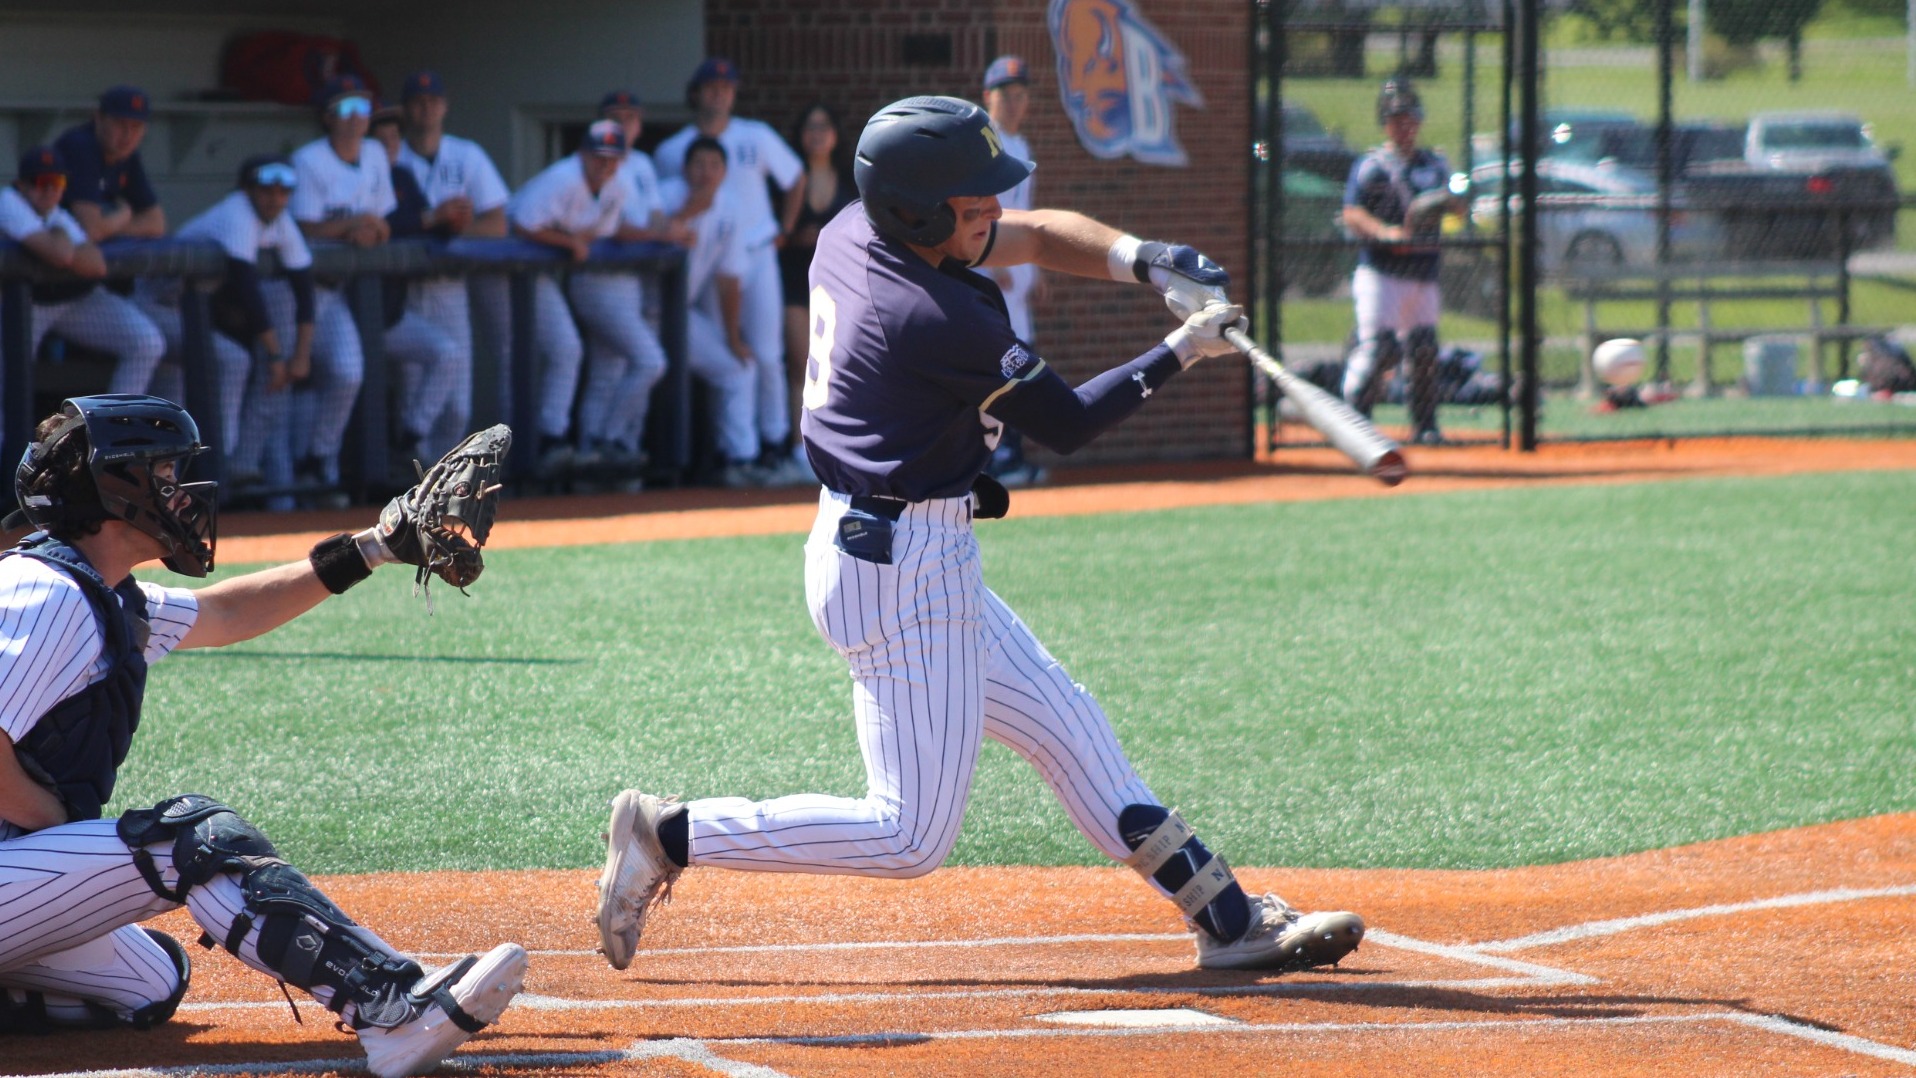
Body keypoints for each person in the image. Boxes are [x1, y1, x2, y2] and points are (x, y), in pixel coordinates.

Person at [595, 96, 1366, 977]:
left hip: (907, 548)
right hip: (900, 568)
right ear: (922, 210)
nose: (994, 212)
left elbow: (1035, 233)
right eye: (973, 205)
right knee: (909, 836)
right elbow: (1070, 422)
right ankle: (666, 834)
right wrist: (1183, 349)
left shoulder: (860, 228)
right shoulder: (934, 315)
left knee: (1073, 734)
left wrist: (1146, 260)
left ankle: (1227, 919)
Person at [0, 394, 526, 1076]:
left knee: (150, 980)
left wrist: (372, 548)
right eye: (161, 475)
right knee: (188, 841)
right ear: (111, 489)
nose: (181, 492)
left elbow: (224, 615)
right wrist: (47, 818)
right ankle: (392, 1007)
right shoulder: (42, 593)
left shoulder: (102, 592)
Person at [289, 74, 458, 497]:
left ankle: (400, 441)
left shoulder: (374, 155)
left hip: (347, 293)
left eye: (363, 108)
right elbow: (303, 224)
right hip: (300, 291)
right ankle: (305, 469)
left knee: (431, 355)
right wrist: (351, 228)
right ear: (327, 117)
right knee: (311, 378)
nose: (356, 118)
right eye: (345, 109)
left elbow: (383, 220)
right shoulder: (308, 159)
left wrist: (370, 231)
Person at [653, 58, 805, 478]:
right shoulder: (672, 150)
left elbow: (796, 178)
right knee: (726, 353)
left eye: (726, 87)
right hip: (704, 265)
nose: (719, 94)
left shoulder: (755, 135)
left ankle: (774, 442)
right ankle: (732, 451)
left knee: (768, 354)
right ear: (696, 93)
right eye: (711, 87)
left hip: (755, 250)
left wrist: (785, 229)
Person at [134, 155, 315, 493]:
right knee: (230, 361)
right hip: (151, 306)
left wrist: (301, 353)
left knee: (177, 397)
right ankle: (221, 463)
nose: (275, 198)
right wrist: (276, 357)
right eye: (266, 190)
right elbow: (246, 286)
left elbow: (304, 287)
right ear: (248, 190)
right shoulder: (238, 213)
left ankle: (201, 470)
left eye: (282, 191)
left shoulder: (279, 220)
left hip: (183, 313)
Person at [508, 120, 661, 478]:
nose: (604, 165)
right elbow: (522, 225)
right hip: (507, 265)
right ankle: (530, 452)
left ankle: (556, 442)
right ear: (582, 155)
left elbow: (598, 233)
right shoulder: (563, 178)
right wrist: (567, 242)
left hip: (540, 268)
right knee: (510, 355)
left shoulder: (616, 186)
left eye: (612, 158)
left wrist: (572, 238)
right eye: (598, 157)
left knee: (569, 351)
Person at [393, 71, 512, 458]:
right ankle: (411, 495)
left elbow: (498, 223)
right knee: (413, 395)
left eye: (433, 100)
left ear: (444, 106)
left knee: (458, 403)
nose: (426, 107)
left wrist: (452, 230)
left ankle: (445, 492)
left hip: (451, 287)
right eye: (417, 100)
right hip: (406, 287)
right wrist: (434, 222)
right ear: (407, 108)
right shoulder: (392, 157)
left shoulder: (467, 154)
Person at [1340, 77, 1461, 446]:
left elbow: (1458, 204)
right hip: (1383, 272)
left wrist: (1450, 203)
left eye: (1410, 118)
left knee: (1424, 349)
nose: (1405, 125)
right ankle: (1356, 424)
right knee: (1381, 349)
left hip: (1424, 272)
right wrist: (1386, 232)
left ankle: (1425, 426)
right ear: (1385, 123)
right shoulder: (1372, 166)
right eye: (1397, 119)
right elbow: (1351, 212)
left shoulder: (1435, 164)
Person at [0, 147, 166, 406]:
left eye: (58, 182)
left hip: (71, 304)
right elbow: (61, 255)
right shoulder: (9, 203)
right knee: (8, 386)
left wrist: (57, 235)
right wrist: (61, 238)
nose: (50, 190)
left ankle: (114, 425)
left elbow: (96, 265)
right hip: (20, 308)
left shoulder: (56, 214)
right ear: (22, 185)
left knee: (146, 342)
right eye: (41, 182)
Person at [661, 137, 763, 485]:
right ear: (686, 169)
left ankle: (739, 462)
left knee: (739, 367)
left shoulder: (728, 207)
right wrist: (689, 212)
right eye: (699, 165)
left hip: (678, 314)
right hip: (636, 310)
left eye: (714, 165)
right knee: (639, 368)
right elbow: (647, 235)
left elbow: (728, 278)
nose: (706, 173)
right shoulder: (664, 195)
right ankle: (616, 460)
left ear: (724, 172)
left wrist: (733, 338)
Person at [978, 56, 1045, 488]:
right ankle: (999, 456)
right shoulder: (986, 142)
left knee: (1021, 353)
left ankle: (1010, 452)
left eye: (1021, 95)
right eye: (1006, 95)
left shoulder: (1021, 146)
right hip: (988, 264)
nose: (1014, 103)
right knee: (1004, 358)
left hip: (1014, 264)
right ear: (989, 97)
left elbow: (1027, 214)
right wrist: (997, 261)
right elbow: (981, 207)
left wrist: (1038, 269)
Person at [776, 101, 854, 464]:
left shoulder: (851, 179)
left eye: (824, 126)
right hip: (794, 276)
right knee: (799, 362)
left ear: (836, 135)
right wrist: (795, 237)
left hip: (836, 282)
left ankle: (835, 447)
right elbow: (775, 231)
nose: (818, 134)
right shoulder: (786, 179)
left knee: (838, 365)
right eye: (810, 127)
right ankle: (798, 445)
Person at [55, 85, 167, 244]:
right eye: (120, 124)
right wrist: (124, 215)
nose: (128, 135)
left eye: (136, 126)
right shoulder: (80, 147)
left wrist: (109, 227)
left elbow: (156, 223)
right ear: (98, 119)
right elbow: (91, 230)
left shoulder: (127, 154)